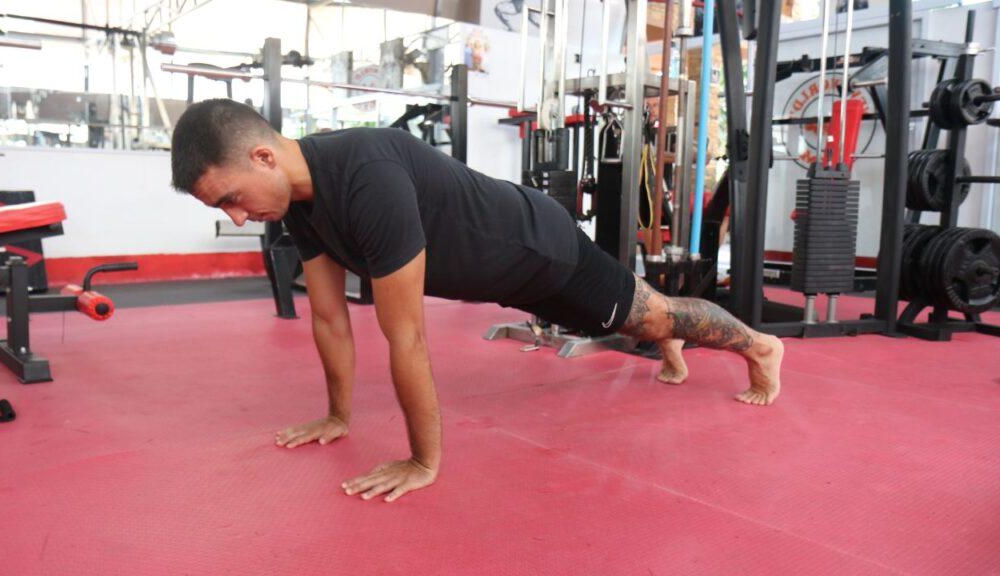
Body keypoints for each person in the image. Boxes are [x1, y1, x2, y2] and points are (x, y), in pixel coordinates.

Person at [170, 99, 784, 503]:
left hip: (539, 251)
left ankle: (761, 346)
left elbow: (405, 334)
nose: (239, 216)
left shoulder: (366, 177)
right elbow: (330, 318)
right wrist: (337, 416)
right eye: (222, 209)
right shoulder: (298, 205)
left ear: (264, 156)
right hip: (502, 280)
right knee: (640, 320)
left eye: (231, 197)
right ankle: (668, 341)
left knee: (651, 314)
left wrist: (422, 461)